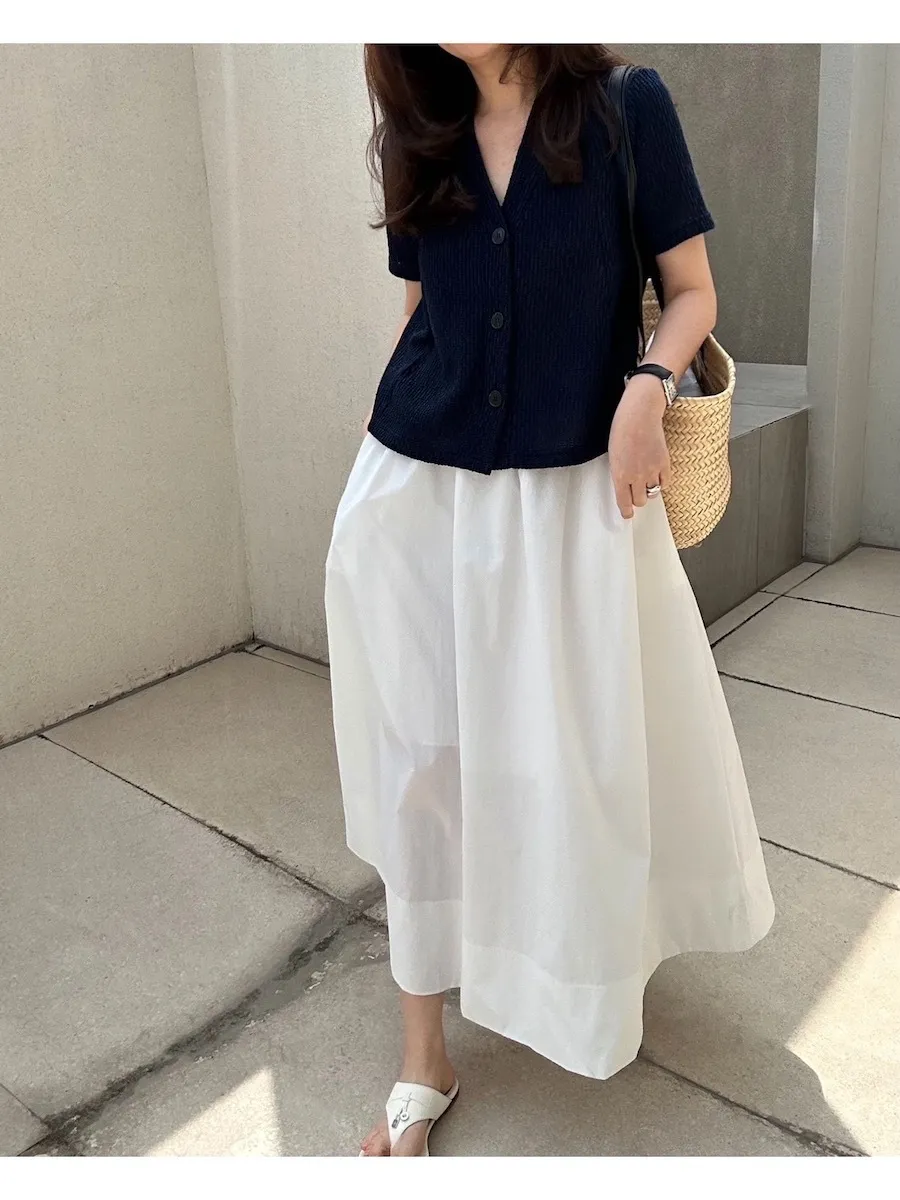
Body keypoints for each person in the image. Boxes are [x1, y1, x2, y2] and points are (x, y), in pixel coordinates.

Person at [325, 43, 775, 1157]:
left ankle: (576, 970)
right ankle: (423, 1057)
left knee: (574, 760)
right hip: (416, 497)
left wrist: (646, 386)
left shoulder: (624, 106)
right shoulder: (418, 129)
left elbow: (693, 289)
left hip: (573, 502)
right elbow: (423, 309)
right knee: (420, 766)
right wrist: (380, 450)